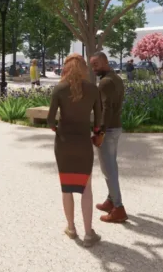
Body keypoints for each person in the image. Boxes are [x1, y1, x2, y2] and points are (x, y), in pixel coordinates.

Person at [47, 53, 103, 247]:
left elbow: (50, 120)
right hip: (83, 143)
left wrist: (57, 129)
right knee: (86, 187)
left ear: (66, 67)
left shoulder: (59, 89)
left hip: (63, 143)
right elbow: (99, 120)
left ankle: (71, 228)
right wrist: (97, 133)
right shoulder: (93, 89)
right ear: (84, 68)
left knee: (66, 187)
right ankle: (89, 233)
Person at [89, 52, 128, 223]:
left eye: (96, 64)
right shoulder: (117, 79)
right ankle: (111, 200)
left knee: (108, 170)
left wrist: (100, 132)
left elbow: (106, 109)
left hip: (109, 129)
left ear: (105, 62)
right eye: (92, 65)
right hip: (116, 127)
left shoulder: (105, 82)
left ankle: (118, 208)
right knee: (112, 165)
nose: (93, 68)